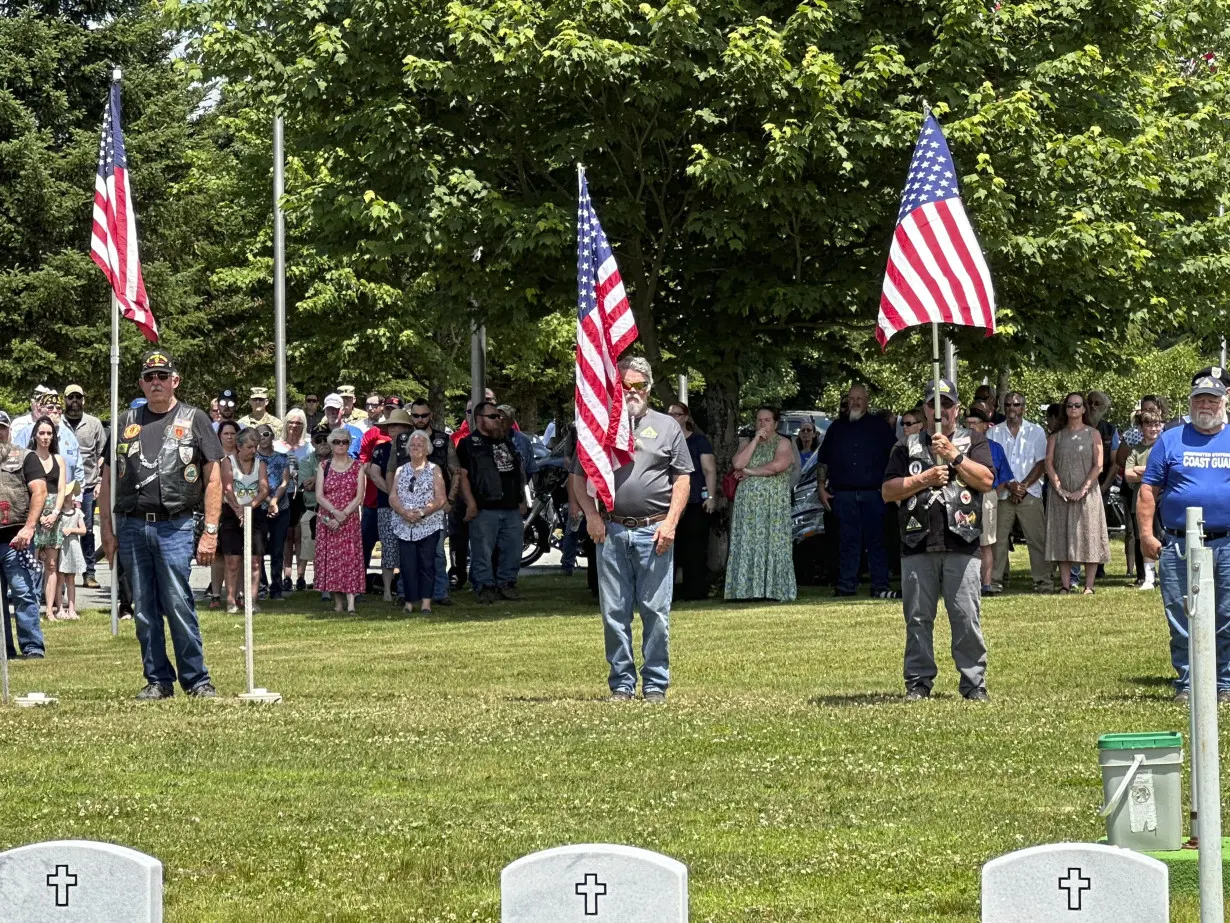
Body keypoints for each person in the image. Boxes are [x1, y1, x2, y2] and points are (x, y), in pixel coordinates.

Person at [98, 349, 223, 700]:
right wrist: (107, 530)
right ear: (141, 383)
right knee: (144, 609)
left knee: (178, 603)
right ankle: (157, 680)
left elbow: (214, 480)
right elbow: (106, 480)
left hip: (176, 525)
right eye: (150, 377)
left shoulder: (195, 419)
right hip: (133, 525)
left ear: (175, 381)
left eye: (163, 376)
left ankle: (197, 681)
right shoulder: (124, 421)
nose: (156, 382)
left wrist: (210, 531)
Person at [570, 356, 692, 702]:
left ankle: (655, 684)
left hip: (654, 531)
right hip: (610, 530)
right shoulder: (598, 427)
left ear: (649, 388)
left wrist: (671, 523)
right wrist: (592, 517)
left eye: (638, 385)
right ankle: (622, 684)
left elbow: (682, 477)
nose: (632, 392)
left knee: (655, 611)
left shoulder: (668, 426)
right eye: (624, 386)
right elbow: (578, 477)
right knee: (614, 612)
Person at [882, 378, 994, 701]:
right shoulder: (906, 446)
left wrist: (954, 456)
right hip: (918, 542)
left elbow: (986, 480)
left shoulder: (974, 441)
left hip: (962, 540)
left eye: (946, 404)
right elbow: (888, 491)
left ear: (956, 408)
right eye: (933, 404)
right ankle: (918, 682)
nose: (940, 410)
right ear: (925, 409)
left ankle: (974, 683)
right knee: (917, 618)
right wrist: (924, 478)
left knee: (965, 616)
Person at [1138, 370, 1230, 703]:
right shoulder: (1171, 440)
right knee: (1180, 614)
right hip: (1178, 542)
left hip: (1226, 543)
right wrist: (1147, 536)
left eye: (1212, 399)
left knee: (1227, 614)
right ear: (1190, 402)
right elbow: (1148, 489)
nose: (1206, 405)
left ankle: (1224, 684)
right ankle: (1187, 684)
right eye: (1200, 399)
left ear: (1223, 402)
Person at [816, 384, 899, 598]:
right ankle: (846, 586)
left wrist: (892, 485)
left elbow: (894, 456)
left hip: (874, 494)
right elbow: (823, 460)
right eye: (851, 398)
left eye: (859, 398)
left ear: (866, 400)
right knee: (847, 542)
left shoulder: (879, 426)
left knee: (877, 541)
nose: (855, 402)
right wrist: (820, 487)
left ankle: (880, 585)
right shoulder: (836, 428)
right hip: (842, 494)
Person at [457, 400, 525, 604]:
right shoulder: (469, 444)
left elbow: (517, 472)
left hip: (511, 506)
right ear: (479, 419)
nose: (498, 420)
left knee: (513, 549)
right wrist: (470, 503)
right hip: (485, 507)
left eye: (499, 416)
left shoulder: (506, 441)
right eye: (493, 417)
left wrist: (522, 499)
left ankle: (507, 584)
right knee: (482, 551)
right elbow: (462, 477)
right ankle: (484, 586)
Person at [725, 406, 797, 602]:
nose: (762, 424)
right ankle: (745, 590)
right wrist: (755, 440)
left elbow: (776, 466)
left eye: (766, 420)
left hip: (772, 506)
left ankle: (774, 590)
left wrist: (750, 472)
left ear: (775, 423)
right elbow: (738, 464)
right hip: (747, 507)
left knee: (771, 543)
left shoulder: (783, 443)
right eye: (759, 420)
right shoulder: (748, 443)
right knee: (748, 543)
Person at [1045, 392, 1110, 594]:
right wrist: (1059, 488)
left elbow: (1098, 465)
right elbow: (1048, 463)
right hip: (1061, 494)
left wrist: (1083, 489)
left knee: (1089, 536)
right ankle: (1065, 585)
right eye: (1070, 405)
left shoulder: (1093, 434)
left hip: (1088, 494)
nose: (1073, 408)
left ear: (1084, 409)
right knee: (1062, 537)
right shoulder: (1056, 436)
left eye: (1077, 405)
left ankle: (1088, 586)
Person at [988, 391, 1051, 594]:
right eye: (1007, 405)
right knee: (998, 540)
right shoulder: (993, 433)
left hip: (1030, 492)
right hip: (1003, 492)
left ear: (1023, 408)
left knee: (1036, 539)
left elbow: (1041, 463)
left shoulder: (1036, 431)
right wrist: (1010, 485)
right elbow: (993, 464)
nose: (1011, 409)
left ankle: (1043, 581)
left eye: (1016, 405)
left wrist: (1022, 486)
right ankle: (995, 580)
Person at [0, 410, 49, 660]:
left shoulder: (25, 457)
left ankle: (32, 648)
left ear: (9, 430)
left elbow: (40, 491)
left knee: (23, 592)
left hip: (16, 539)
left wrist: (29, 527)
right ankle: (3, 651)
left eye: (1, 428)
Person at [410, 399, 462, 606]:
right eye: (416, 415)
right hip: (410, 507)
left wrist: (450, 499)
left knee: (438, 552)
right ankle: (410, 594)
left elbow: (455, 471)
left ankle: (440, 592)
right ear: (411, 416)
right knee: (410, 553)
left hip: (437, 505)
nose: (420, 419)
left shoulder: (443, 439)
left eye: (424, 415)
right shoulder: (406, 439)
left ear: (430, 415)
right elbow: (392, 472)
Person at [390, 430, 447, 613]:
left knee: (427, 565)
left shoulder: (434, 470)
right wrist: (403, 512)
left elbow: (440, 499)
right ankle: (408, 603)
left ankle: (426, 604)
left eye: (419, 445)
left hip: (428, 525)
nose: (415, 448)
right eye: (412, 445)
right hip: (404, 525)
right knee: (407, 566)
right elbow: (393, 496)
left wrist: (422, 513)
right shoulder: (401, 470)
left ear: (427, 449)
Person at [314, 426, 367, 613]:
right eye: (337, 442)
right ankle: (337, 603)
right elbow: (319, 495)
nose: (341, 445)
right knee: (332, 561)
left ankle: (351, 603)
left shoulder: (358, 466)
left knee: (350, 560)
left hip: (349, 520)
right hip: (328, 519)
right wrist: (334, 512)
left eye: (345, 441)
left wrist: (343, 514)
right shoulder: (323, 466)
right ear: (331, 444)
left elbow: (359, 496)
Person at [668, 402, 717, 601]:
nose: (673, 418)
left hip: (696, 500)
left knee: (695, 549)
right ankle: (668, 591)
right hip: (667, 503)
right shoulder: (664, 440)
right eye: (669, 415)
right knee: (671, 548)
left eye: (677, 415)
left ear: (686, 417)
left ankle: (695, 591)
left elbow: (710, 470)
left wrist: (711, 497)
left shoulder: (698, 441)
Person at [963, 406, 1015, 594]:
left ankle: (986, 584)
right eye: (967, 423)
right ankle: (966, 584)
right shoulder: (958, 446)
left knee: (985, 543)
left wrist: (990, 492)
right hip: (961, 496)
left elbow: (1003, 477)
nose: (970, 427)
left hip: (986, 496)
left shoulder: (994, 448)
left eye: (974, 423)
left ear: (985, 426)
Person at [365, 408, 414, 602]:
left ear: (406, 428)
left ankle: (406, 587)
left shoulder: (413, 449)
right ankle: (386, 590)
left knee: (408, 547)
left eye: (396, 425)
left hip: (410, 506)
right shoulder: (381, 449)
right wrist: (393, 495)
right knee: (388, 546)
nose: (392, 429)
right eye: (390, 426)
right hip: (386, 506)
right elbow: (374, 474)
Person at [62, 383, 106, 589]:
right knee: (60, 531)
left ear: (83, 400)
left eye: (78, 398)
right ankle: (61, 575)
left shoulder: (93, 423)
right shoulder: (57, 423)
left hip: (87, 486)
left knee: (86, 530)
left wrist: (98, 481)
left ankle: (89, 573)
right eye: (71, 398)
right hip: (61, 487)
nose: (74, 402)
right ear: (65, 400)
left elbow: (101, 455)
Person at [220, 427, 268, 614]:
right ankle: (231, 600)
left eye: (255, 447)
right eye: (249, 447)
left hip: (254, 513)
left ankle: (252, 600)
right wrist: (238, 509)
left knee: (255, 560)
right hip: (232, 514)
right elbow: (227, 488)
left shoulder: (260, 464)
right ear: (239, 446)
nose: (253, 451)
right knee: (232, 560)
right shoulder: (228, 462)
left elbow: (264, 490)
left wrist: (248, 507)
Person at [29, 415, 67, 621]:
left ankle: (50, 610)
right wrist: (37, 517)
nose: (45, 437)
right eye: (42, 433)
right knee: (33, 562)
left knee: (51, 565)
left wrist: (54, 513)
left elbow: (61, 489)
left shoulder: (58, 460)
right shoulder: (29, 457)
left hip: (54, 514)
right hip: (34, 514)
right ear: (35, 435)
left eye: (49, 433)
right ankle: (32, 606)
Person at [1123, 409, 1164, 590]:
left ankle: (1167, 575)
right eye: (1149, 425)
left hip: (1163, 499)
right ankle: (1148, 578)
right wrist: (1151, 472)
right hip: (1140, 500)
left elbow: (1166, 472)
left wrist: (1141, 470)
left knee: (1163, 536)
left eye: (1157, 424)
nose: (1154, 428)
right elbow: (1128, 475)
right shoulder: (1136, 449)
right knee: (1144, 538)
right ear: (1141, 427)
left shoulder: (1163, 446)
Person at [207, 419, 242, 608]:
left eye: (233, 433)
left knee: (237, 555)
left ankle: (238, 594)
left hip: (239, 509)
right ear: (219, 437)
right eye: (225, 434)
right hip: (218, 509)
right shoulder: (213, 458)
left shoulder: (244, 458)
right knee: (218, 555)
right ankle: (214, 595)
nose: (229, 437)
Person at [276, 409, 312, 592]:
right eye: (291, 422)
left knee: (301, 536)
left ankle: (301, 576)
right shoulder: (277, 446)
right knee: (286, 536)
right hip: (283, 494)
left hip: (303, 495)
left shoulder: (309, 446)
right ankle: (287, 576)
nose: (294, 426)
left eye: (298, 423)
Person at [254, 424, 291, 600]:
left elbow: (285, 482)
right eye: (259, 434)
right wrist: (269, 502)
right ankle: (261, 586)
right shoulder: (252, 459)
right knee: (259, 549)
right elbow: (255, 484)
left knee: (278, 549)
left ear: (272, 436)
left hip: (281, 507)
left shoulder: (282, 458)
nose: (263, 437)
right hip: (260, 508)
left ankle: (276, 588)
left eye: (266, 433)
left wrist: (275, 502)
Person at [56, 485, 85, 621]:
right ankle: (60, 608)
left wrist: (72, 530)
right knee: (60, 579)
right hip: (61, 546)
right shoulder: (59, 513)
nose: (72, 496)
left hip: (73, 546)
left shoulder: (77, 512)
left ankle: (72, 609)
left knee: (71, 579)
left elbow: (84, 530)